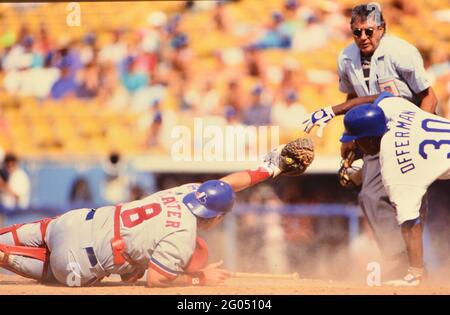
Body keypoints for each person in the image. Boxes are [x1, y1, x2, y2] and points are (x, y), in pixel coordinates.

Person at [0, 139, 312, 287]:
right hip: (77, 261)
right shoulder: (183, 235)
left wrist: (271, 169)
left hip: (72, 221)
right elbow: (156, 280)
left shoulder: (185, 191)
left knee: (5, 239)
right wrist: (198, 278)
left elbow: (227, 184)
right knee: (4, 256)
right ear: (216, 218)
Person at [302, 91, 450, 286]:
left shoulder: (396, 168)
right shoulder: (394, 109)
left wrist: (416, 271)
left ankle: (415, 274)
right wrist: (333, 111)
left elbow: (410, 224)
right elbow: (378, 98)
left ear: (371, 140)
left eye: (359, 140)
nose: (357, 145)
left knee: (409, 219)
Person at [334, 3, 438, 275]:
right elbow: (352, 98)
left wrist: (417, 130)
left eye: (369, 30)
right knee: (369, 196)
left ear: (382, 28)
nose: (363, 37)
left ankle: (415, 269)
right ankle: (399, 260)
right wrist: (348, 136)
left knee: (408, 202)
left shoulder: (401, 52)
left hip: (406, 134)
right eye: (357, 32)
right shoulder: (346, 58)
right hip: (374, 139)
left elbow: (429, 96)